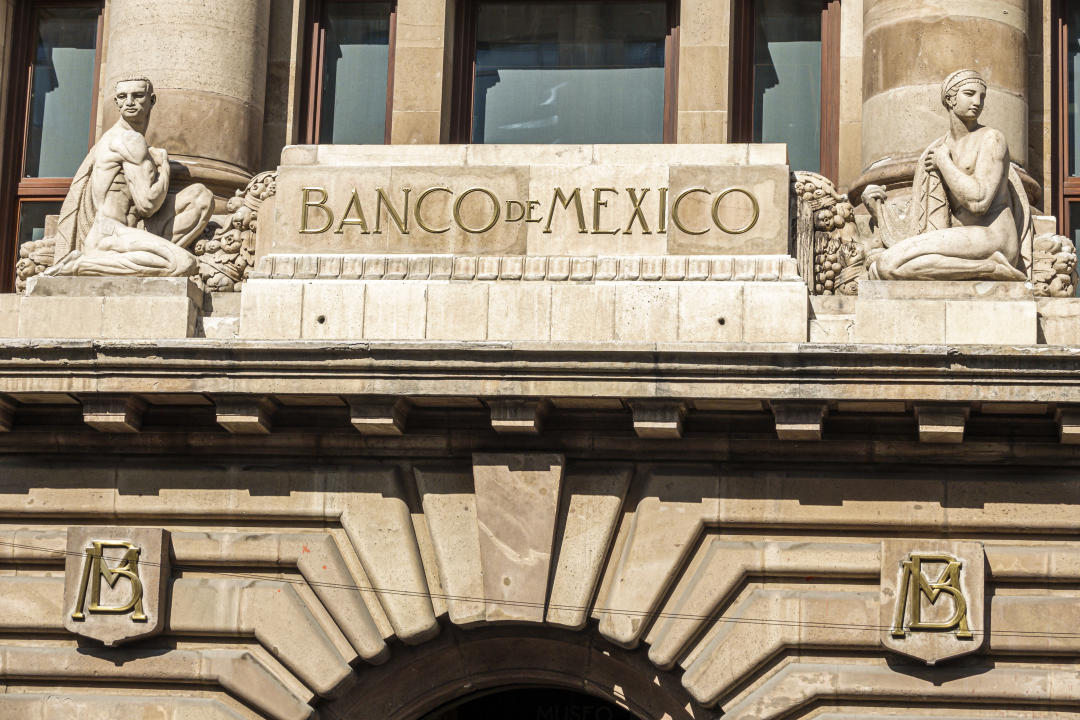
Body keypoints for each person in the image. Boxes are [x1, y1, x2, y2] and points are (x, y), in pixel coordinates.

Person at [863, 69, 1029, 281]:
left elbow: (979, 201)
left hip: (993, 237)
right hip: (965, 242)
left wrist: (944, 162)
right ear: (950, 99)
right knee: (885, 268)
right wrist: (880, 209)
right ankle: (989, 269)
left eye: (982, 96)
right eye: (969, 94)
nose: (977, 101)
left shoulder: (991, 139)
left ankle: (997, 264)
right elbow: (925, 223)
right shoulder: (938, 148)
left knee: (888, 262)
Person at [44, 77, 213, 277]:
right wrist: (164, 167)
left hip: (127, 231)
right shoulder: (128, 139)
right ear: (116, 103)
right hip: (109, 234)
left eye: (138, 96)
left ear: (152, 100)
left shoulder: (125, 139)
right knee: (184, 263)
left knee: (201, 197)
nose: (129, 102)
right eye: (123, 97)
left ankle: (151, 253)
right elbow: (148, 204)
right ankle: (80, 265)